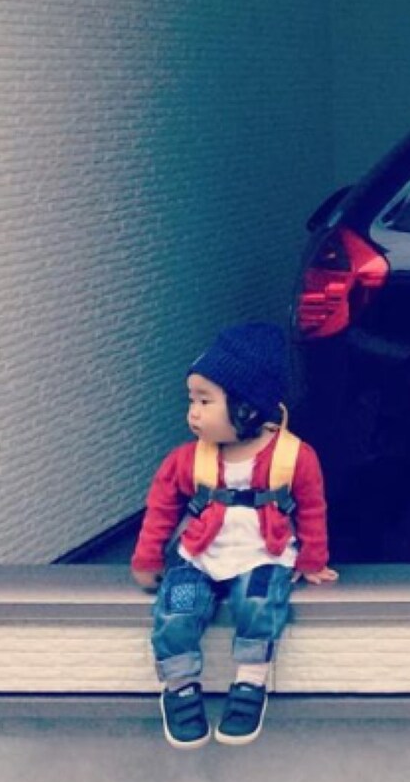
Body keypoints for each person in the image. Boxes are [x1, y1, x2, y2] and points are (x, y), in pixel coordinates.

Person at [130, 321, 338, 749]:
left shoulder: (294, 458)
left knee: (260, 605)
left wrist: (312, 559)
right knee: (176, 610)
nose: (193, 412)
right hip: (199, 555)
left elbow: (313, 509)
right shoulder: (187, 460)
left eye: (205, 401)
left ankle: (250, 683)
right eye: (191, 400)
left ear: (247, 408)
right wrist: (148, 558)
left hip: (265, 554)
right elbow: (161, 508)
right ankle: (179, 687)